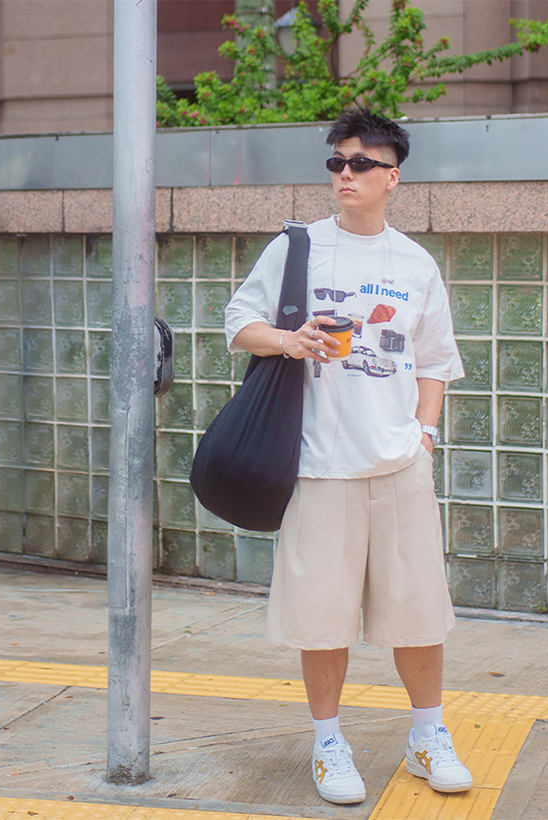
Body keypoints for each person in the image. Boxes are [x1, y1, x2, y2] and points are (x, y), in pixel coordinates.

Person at [223, 109, 470, 805]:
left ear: (393, 176)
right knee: (321, 616)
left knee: (418, 610)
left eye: (360, 163)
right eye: (336, 162)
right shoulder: (299, 247)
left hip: (397, 466)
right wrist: (289, 339)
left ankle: (428, 735)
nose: (345, 174)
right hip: (316, 463)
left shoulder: (415, 264)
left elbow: (434, 361)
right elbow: (238, 323)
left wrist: (423, 438)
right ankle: (329, 744)